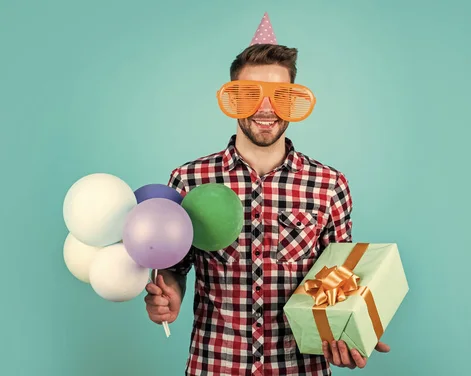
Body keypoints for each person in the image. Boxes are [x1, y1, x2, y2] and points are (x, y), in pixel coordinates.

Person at [144, 13, 390, 375]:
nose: (265, 108)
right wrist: (169, 297)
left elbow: (340, 286)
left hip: (299, 368)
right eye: (250, 95)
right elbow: (176, 269)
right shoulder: (189, 179)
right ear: (232, 97)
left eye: (280, 96)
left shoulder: (329, 185)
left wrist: (353, 333)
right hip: (215, 366)